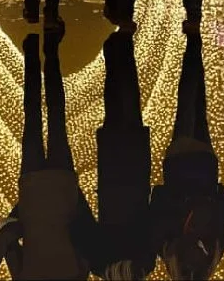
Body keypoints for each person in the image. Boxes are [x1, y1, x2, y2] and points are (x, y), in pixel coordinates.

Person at [0, 32, 93, 279]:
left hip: (61, 186)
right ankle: (32, 56)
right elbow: (9, 240)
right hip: (33, 190)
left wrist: (76, 196)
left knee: (57, 118)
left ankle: (51, 51)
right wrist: (23, 209)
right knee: (33, 117)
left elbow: (85, 238)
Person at [149, 34, 224, 280]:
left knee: (198, 107)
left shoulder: (213, 258)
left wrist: (214, 189)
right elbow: (158, 202)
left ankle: (194, 48)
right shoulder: (169, 254)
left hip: (204, 167)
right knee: (185, 106)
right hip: (179, 164)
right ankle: (192, 47)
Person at [90, 32, 156, 280]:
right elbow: (88, 229)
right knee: (114, 110)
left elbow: (152, 221)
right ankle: (113, 54)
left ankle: (123, 49)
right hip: (111, 179)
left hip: (136, 177)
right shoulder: (100, 265)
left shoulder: (144, 264)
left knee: (130, 109)